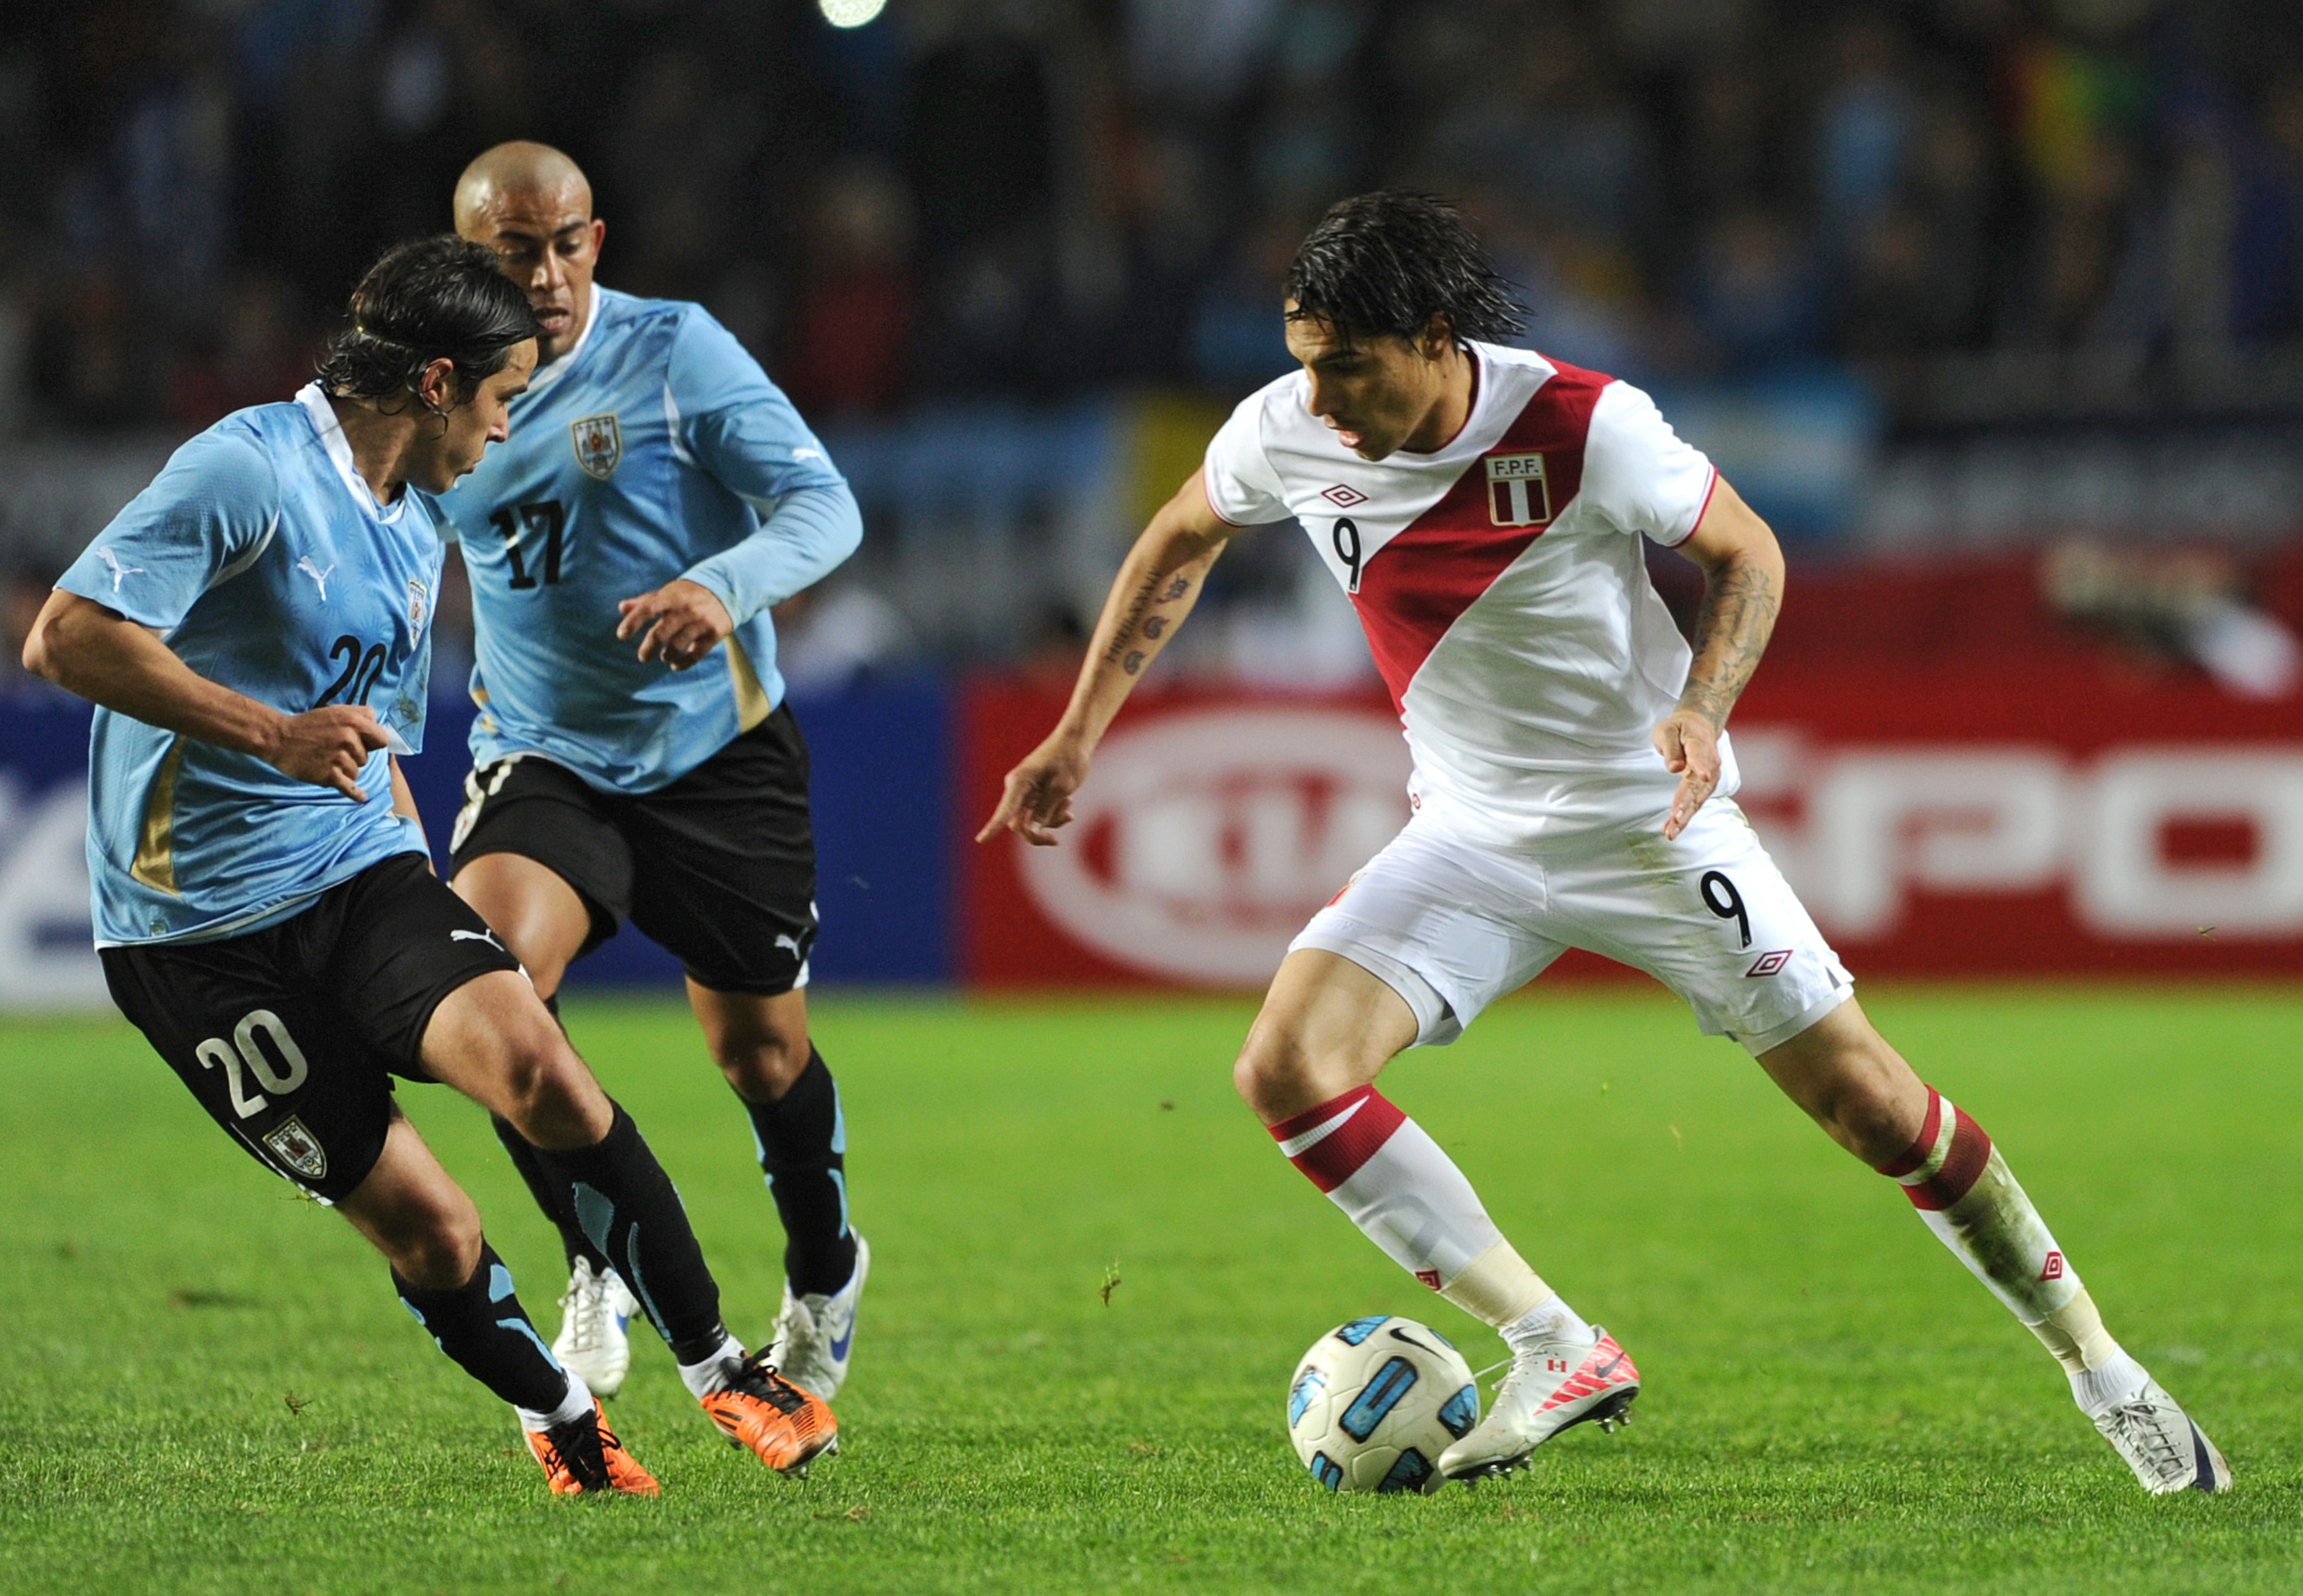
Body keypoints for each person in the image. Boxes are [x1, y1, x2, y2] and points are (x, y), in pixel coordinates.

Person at [979, 193, 2229, 1496]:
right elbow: (1184, 531)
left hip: (1650, 824)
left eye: (1349, 365)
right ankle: (1554, 1342)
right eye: (1307, 362)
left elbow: (1749, 553)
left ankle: (2102, 1368)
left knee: (1872, 1106)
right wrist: (1078, 732)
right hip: (1467, 836)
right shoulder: (1288, 433)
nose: (1325, 397)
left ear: (1435, 335)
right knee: (1288, 1067)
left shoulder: (1585, 423)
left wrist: (1703, 707)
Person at [24, 235, 835, 1497]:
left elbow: (375, 734)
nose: (510, 429)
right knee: (434, 1226)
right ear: (442, 382)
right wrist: (267, 733)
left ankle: (721, 1366)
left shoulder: (417, 523)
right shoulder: (249, 468)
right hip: (192, 940)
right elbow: (65, 638)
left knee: (538, 1068)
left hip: (355, 872)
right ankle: (561, 1411)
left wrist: (410, 873)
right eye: (506, 400)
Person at [430, 143, 869, 1403]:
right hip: (543, 756)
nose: (552, 273)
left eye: (570, 242)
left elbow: (823, 507)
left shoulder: (676, 350)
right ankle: (594, 1261)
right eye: (519, 251)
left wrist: (718, 589)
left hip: (714, 754)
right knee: (497, 994)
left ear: (597, 241)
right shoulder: (437, 390)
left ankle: (827, 1269)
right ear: (473, 261)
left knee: (761, 1058)